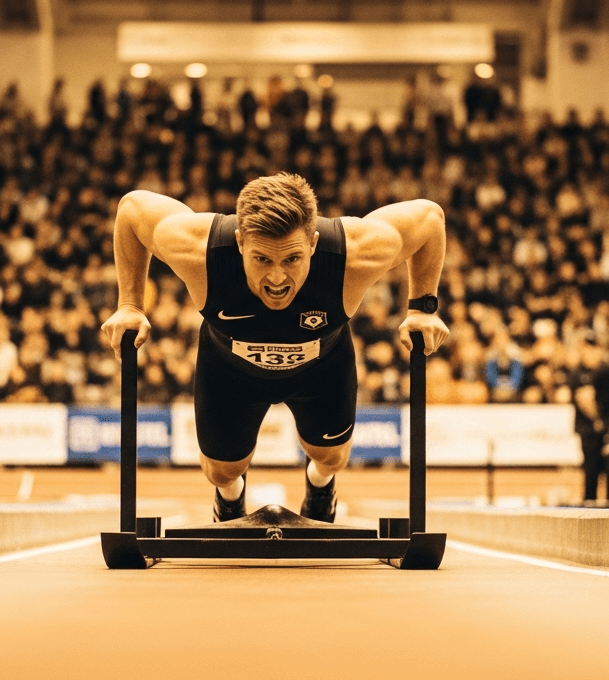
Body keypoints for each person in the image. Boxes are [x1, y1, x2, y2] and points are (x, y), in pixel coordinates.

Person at [101, 173, 448, 523]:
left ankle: (320, 486)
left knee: (331, 458)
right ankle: (229, 498)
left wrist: (423, 308)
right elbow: (132, 209)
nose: (278, 278)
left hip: (321, 368)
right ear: (240, 242)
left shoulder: (352, 254)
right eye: (263, 259)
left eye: (292, 259)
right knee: (221, 471)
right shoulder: (200, 250)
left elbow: (429, 219)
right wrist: (130, 305)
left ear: (313, 243)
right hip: (230, 370)